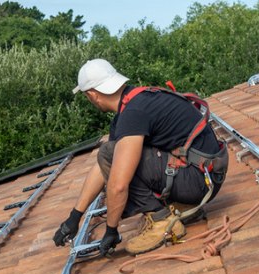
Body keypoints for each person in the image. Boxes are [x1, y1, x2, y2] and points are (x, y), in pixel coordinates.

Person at [52, 59, 228, 256]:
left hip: (200, 181)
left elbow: (118, 182)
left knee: (111, 154)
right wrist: (75, 216)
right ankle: (180, 206)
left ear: (92, 94)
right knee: (112, 153)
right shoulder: (135, 101)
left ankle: (161, 220)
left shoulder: (132, 114)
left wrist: (111, 229)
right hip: (207, 173)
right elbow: (102, 168)